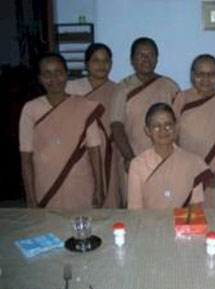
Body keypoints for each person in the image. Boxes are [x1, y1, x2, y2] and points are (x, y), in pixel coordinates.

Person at [19, 53, 104, 210]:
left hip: (80, 185)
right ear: (39, 78)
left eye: (58, 72)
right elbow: (26, 159)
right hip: (45, 186)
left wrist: (99, 188)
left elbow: (94, 150)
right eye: (47, 74)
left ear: (67, 74)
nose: (54, 79)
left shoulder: (85, 106)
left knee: (82, 231)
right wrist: (31, 199)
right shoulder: (30, 109)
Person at [110, 37, 180, 207]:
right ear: (132, 59)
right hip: (133, 157)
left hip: (166, 159)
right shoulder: (123, 87)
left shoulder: (169, 86)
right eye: (141, 55)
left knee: (165, 204)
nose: (146, 59)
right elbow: (116, 125)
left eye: (151, 55)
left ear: (157, 58)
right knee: (136, 206)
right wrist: (130, 158)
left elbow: (178, 124)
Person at [173, 54, 215, 207]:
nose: (205, 79)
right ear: (192, 75)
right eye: (200, 74)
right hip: (186, 169)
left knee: (213, 218)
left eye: (211, 74)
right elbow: (172, 137)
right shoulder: (182, 98)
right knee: (187, 219)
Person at [66, 43, 121, 208]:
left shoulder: (118, 90)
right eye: (96, 60)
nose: (101, 65)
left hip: (110, 153)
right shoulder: (71, 88)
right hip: (79, 153)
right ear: (86, 64)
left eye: (106, 61)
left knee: (109, 200)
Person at [127, 103, 212, 210]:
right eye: (156, 126)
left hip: (183, 224)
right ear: (148, 131)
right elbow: (135, 208)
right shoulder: (137, 164)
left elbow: (195, 204)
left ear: (175, 128)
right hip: (149, 224)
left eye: (168, 125)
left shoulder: (194, 162)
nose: (163, 130)